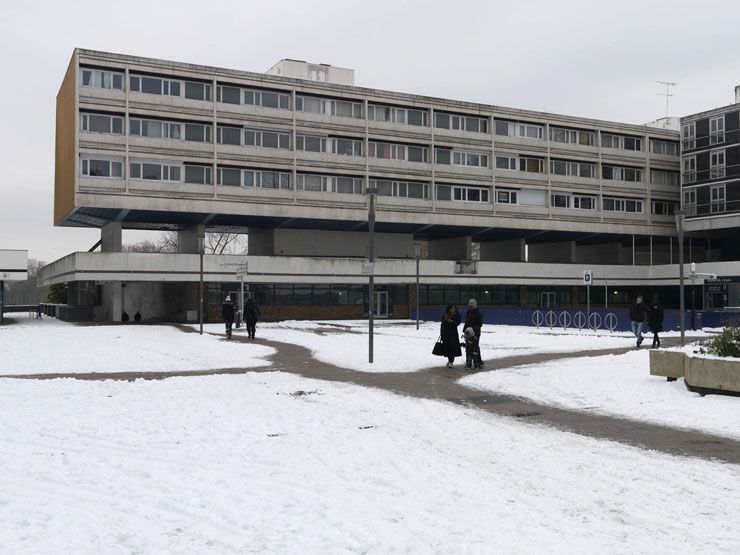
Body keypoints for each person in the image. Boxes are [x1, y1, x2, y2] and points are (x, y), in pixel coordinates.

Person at [464, 298, 484, 368]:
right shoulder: (468, 312)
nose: (470, 308)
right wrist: (465, 330)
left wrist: (473, 329)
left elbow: (480, 324)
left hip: (476, 333)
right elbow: (466, 322)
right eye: (469, 306)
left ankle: (478, 361)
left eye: (472, 306)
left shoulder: (479, 313)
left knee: (475, 347)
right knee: (468, 347)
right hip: (468, 333)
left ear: (475, 306)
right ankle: (468, 362)